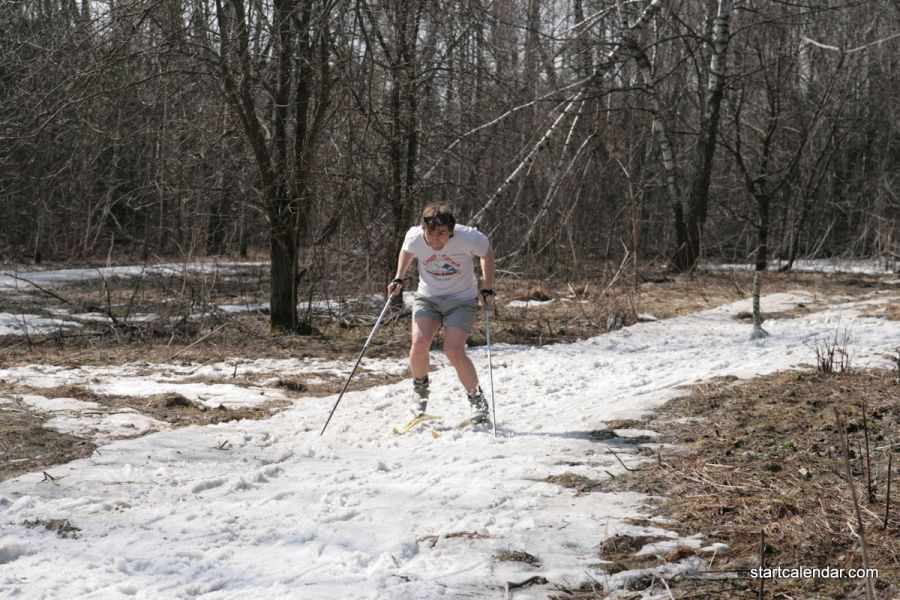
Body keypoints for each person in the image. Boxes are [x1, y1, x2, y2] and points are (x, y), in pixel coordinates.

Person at [387, 204, 495, 423]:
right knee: (419, 345)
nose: (434, 239)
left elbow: (487, 253)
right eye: (430, 233)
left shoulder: (468, 237)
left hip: (461, 300)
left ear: (451, 231)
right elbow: (407, 250)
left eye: (441, 234)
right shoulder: (415, 237)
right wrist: (399, 276)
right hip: (428, 298)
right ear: (423, 228)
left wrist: (487, 285)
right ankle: (420, 393)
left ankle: (477, 402)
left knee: (453, 350)